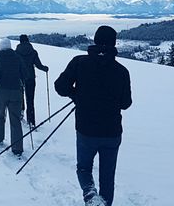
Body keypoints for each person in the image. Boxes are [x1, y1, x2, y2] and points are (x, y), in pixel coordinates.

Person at [54, 26, 132, 206]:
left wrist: (77, 95)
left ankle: (90, 196)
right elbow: (125, 103)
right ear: (114, 43)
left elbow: (60, 87)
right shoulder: (121, 71)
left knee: (84, 168)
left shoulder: (79, 62)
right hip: (112, 132)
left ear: (95, 40)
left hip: (86, 129)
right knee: (107, 177)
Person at [16, 34, 49, 128]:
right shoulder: (33, 52)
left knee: (20, 96)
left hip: (20, 78)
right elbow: (38, 65)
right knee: (30, 99)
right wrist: (45, 68)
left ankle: (21, 114)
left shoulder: (16, 52)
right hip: (31, 78)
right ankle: (31, 122)